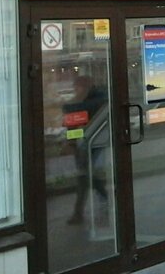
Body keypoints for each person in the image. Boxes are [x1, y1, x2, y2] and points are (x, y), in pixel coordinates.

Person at [63, 75, 109, 225]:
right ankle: (103, 200)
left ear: (86, 87)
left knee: (84, 175)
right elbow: (74, 125)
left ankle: (79, 212)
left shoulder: (96, 100)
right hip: (85, 142)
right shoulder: (89, 100)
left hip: (93, 142)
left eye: (77, 88)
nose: (75, 91)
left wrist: (70, 105)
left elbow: (75, 111)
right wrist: (71, 140)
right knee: (86, 174)